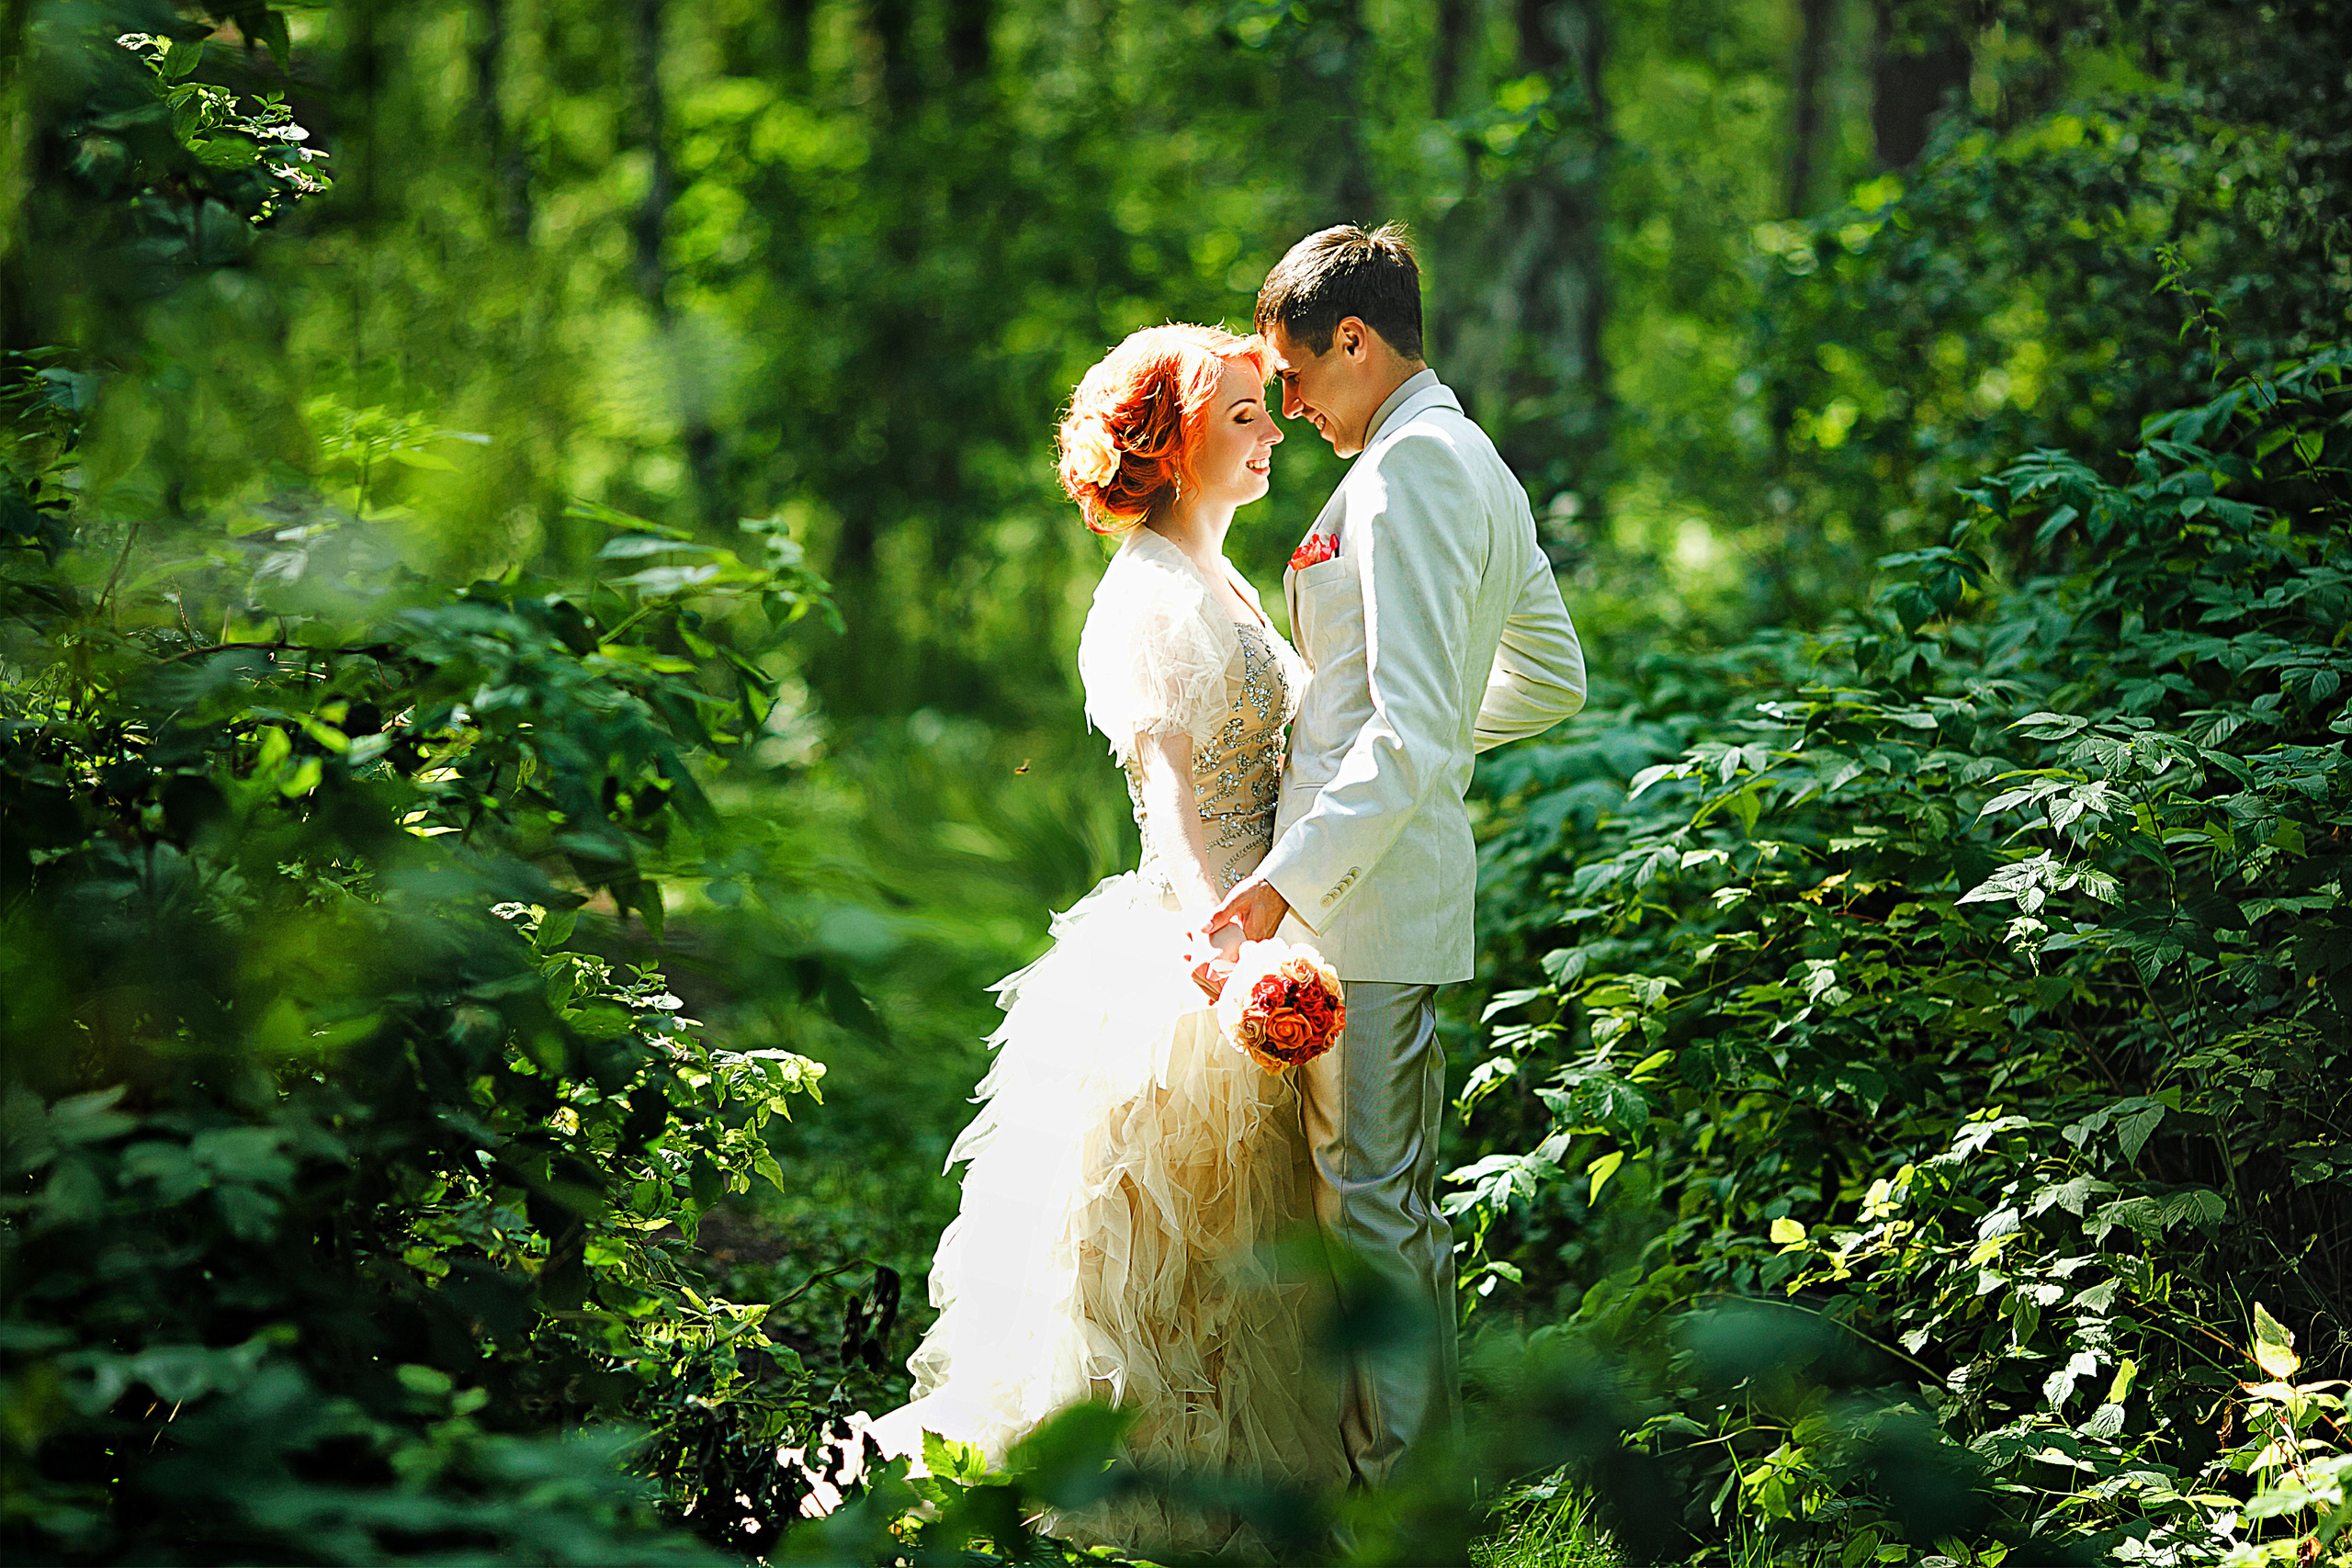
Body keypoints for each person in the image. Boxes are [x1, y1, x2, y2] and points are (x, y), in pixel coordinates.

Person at [861, 323, 1348, 1554]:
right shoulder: (1149, 600)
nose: (1270, 432)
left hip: (1266, 921)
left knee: (1246, 1247)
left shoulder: (1231, 577)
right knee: (1160, 1252)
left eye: (1264, 410)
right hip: (1201, 941)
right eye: (1240, 416)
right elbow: (1174, 808)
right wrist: (1226, 957)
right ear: (1171, 445)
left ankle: (1254, 1493)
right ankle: (1138, 1504)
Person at [1203, 223, 1588, 1489]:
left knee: (1368, 1211)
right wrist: (1387, 737)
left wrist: (1293, 870)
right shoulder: (1463, 456)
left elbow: (1420, 720)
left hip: (1357, 898)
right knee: (1385, 1204)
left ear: (1356, 340)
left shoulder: (1414, 470)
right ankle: (1411, 1484)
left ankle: (1396, 1499)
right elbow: (1544, 680)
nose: (1290, 403)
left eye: (1297, 374)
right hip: (1378, 871)